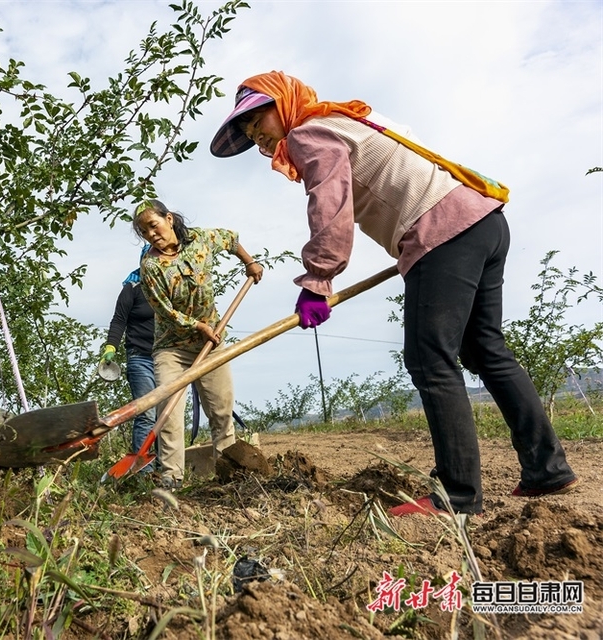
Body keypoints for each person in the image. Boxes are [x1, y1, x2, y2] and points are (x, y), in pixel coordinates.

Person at [210, 71, 579, 516]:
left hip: (441, 232)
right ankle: (546, 468)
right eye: (248, 133)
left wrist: (317, 280)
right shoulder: (348, 120)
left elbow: (330, 205)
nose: (258, 137)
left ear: (284, 102)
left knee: (429, 358)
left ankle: (458, 494)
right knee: (484, 349)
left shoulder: (310, 131)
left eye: (257, 121)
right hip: (481, 220)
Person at [133, 199, 264, 488]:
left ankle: (229, 475)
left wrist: (250, 262)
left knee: (220, 410)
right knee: (169, 414)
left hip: (211, 345)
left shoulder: (201, 239)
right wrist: (199, 326)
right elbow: (164, 311)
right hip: (172, 349)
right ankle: (171, 478)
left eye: (153, 225)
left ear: (168, 218)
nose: (151, 234)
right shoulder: (150, 266)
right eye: (144, 232)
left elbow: (231, 239)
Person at [101, 245, 157, 466]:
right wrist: (110, 347)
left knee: (168, 416)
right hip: (140, 359)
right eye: (150, 258)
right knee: (147, 414)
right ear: (143, 260)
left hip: (166, 359)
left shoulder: (168, 289)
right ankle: (144, 471)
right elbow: (119, 320)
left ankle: (167, 471)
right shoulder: (132, 288)